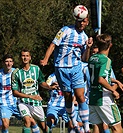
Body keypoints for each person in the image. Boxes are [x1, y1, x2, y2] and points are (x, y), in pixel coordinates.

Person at [40, 5, 93, 133]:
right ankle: (74, 122)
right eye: (79, 21)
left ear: (87, 22)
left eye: (83, 22)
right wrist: (46, 59)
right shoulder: (65, 30)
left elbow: (84, 58)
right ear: (76, 19)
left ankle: (86, 127)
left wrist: (89, 47)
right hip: (61, 68)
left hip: (76, 68)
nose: (81, 24)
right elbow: (53, 45)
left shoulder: (85, 37)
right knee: (68, 97)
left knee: (81, 97)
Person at [11, 48, 58, 133]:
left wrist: (50, 87)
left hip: (36, 103)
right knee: (27, 121)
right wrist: (30, 96)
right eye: (23, 56)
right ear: (19, 58)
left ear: (30, 58)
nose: (25, 58)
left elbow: (41, 82)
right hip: (23, 102)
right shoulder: (16, 73)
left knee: (44, 128)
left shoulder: (36, 69)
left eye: (27, 56)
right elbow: (15, 93)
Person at [88, 34, 123, 133]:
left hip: (93, 98)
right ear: (110, 45)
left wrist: (116, 81)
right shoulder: (106, 60)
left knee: (99, 129)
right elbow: (101, 79)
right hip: (104, 98)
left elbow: (99, 77)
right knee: (117, 128)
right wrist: (113, 90)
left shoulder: (92, 58)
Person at [0, 54, 21, 133]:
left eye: (10, 61)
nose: (8, 63)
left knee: (30, 120)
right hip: (4, 103)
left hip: (18, 103)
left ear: (13, 63)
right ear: (3, 63)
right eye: (6, 61)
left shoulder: (17, 72)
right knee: (5, 124)